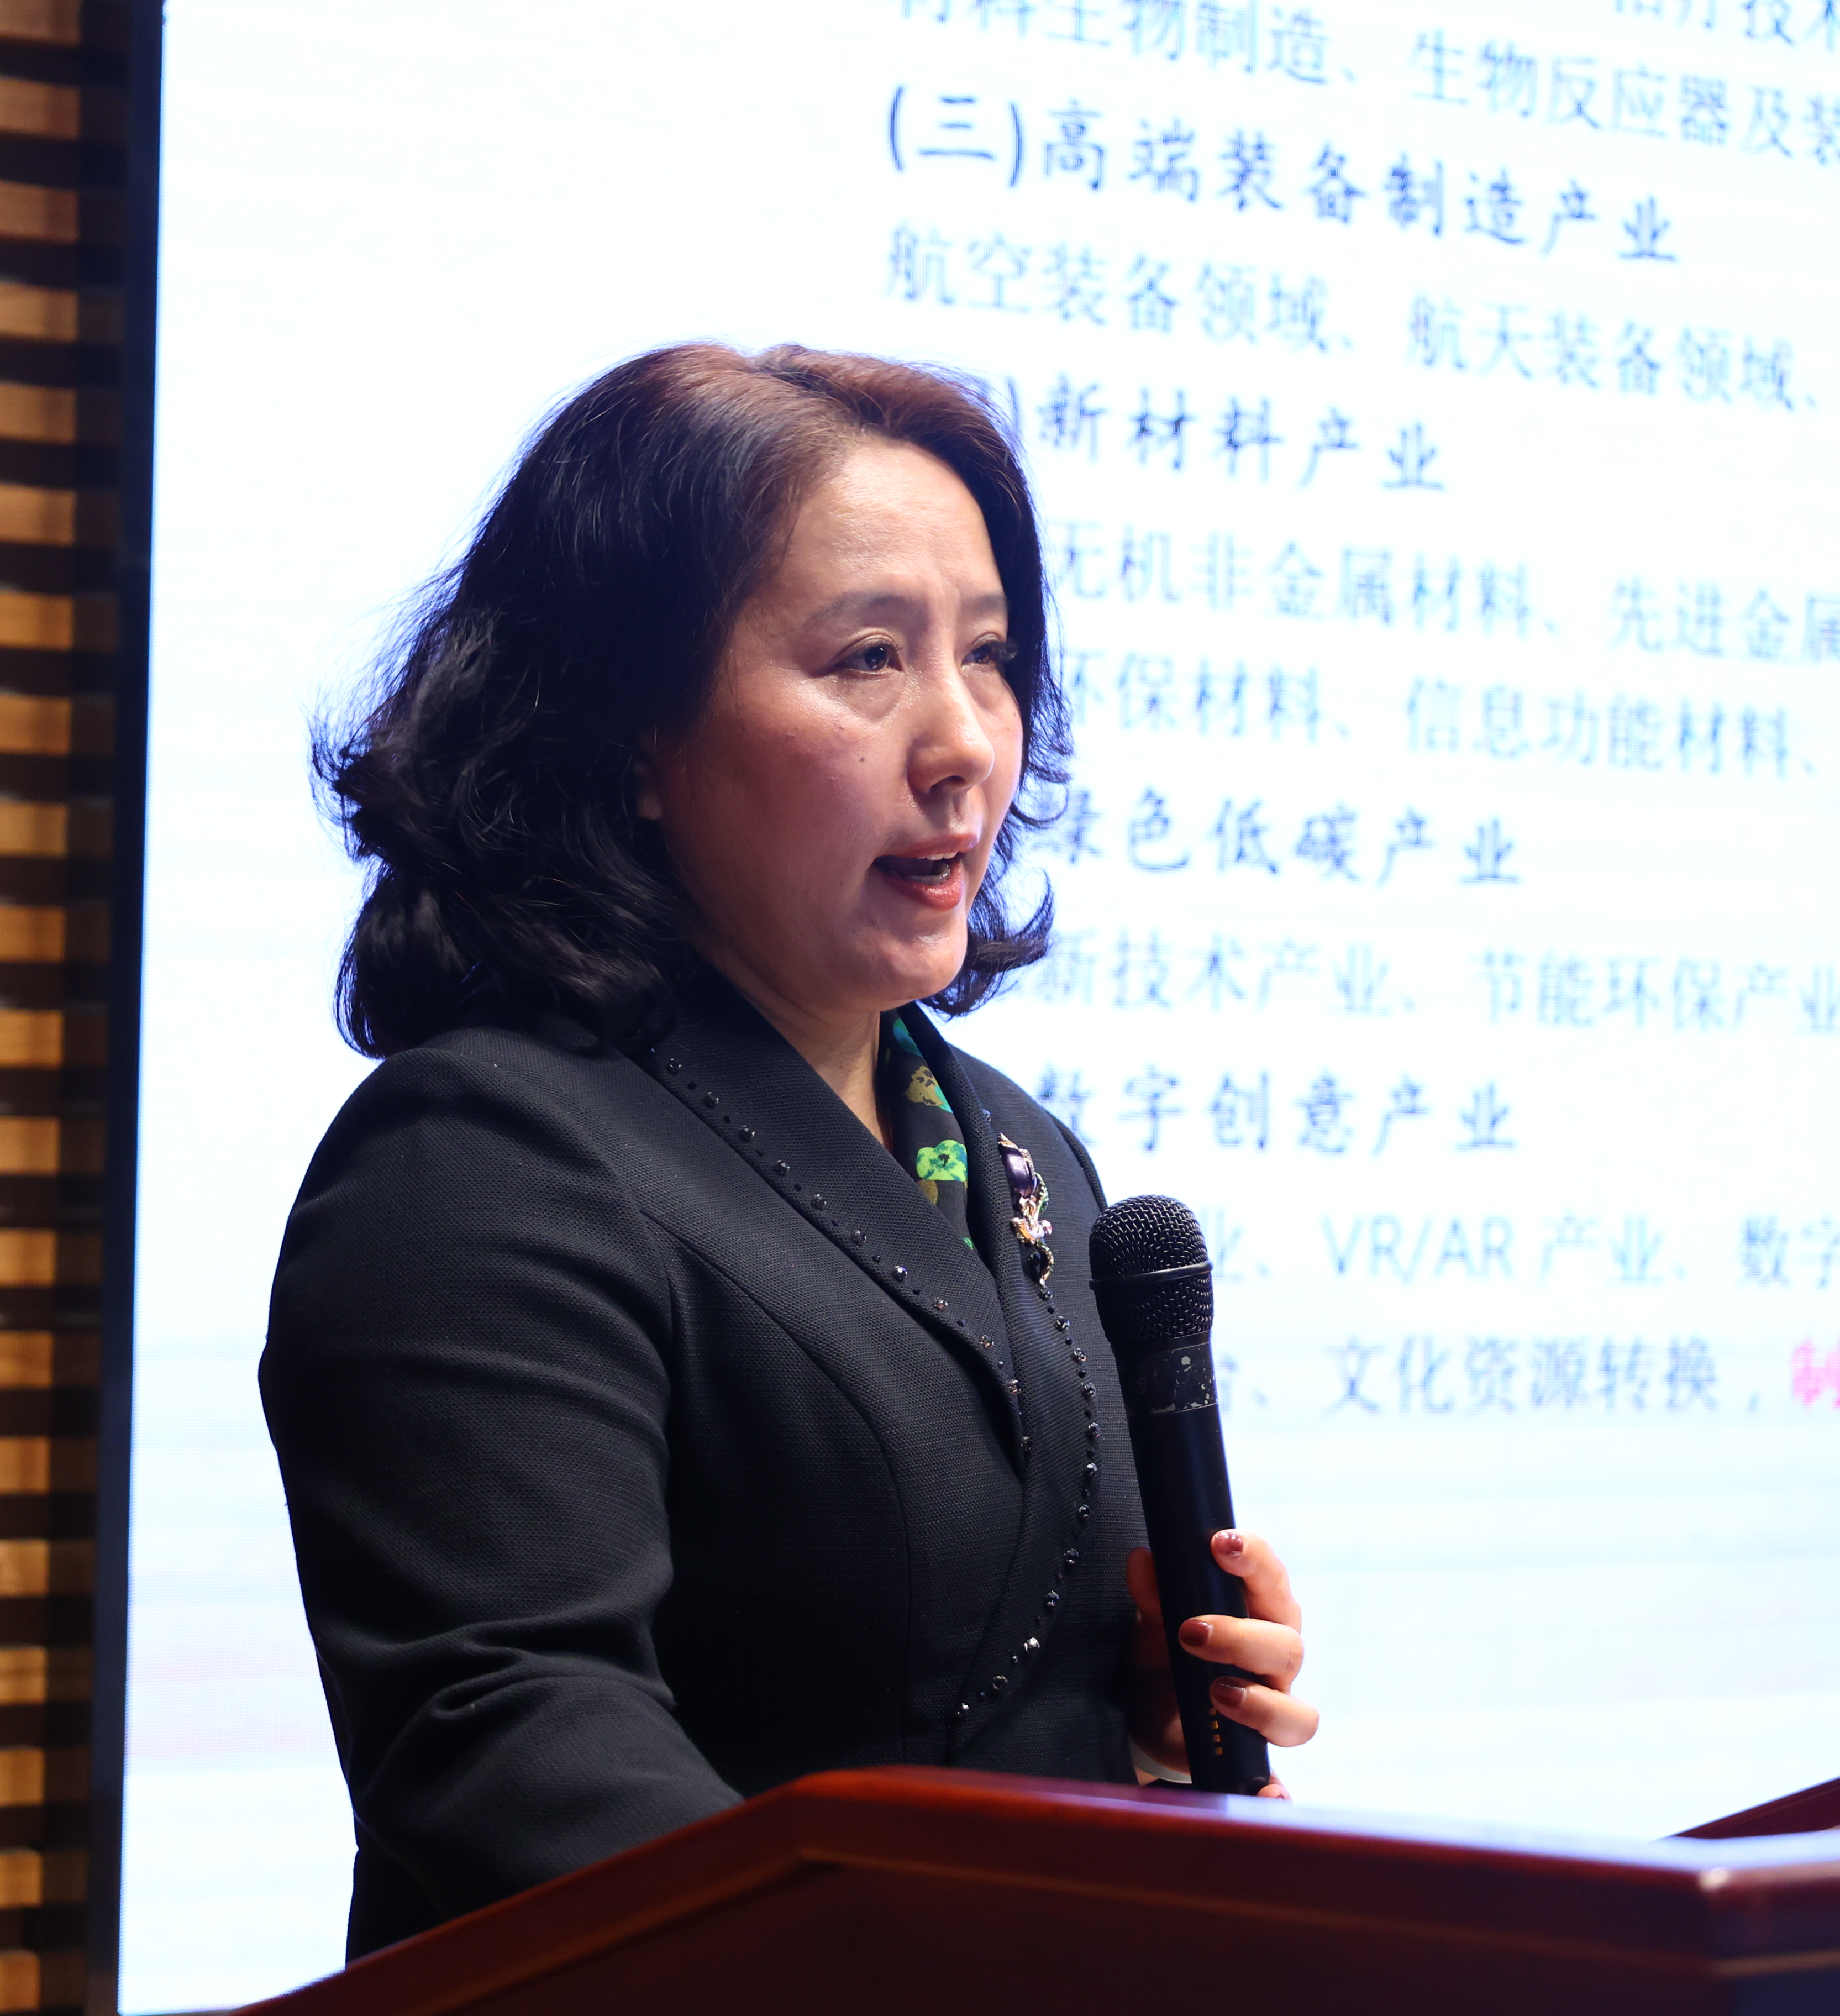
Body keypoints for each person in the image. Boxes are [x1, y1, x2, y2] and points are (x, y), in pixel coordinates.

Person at [262, 343, 1317, 1956]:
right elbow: (511, 1744)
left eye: (989, 656)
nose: (964, 741)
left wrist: (1150, 1722)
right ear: (637, 737)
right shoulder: (479, 1159)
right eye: (867, 659)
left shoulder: (1022, 1155)